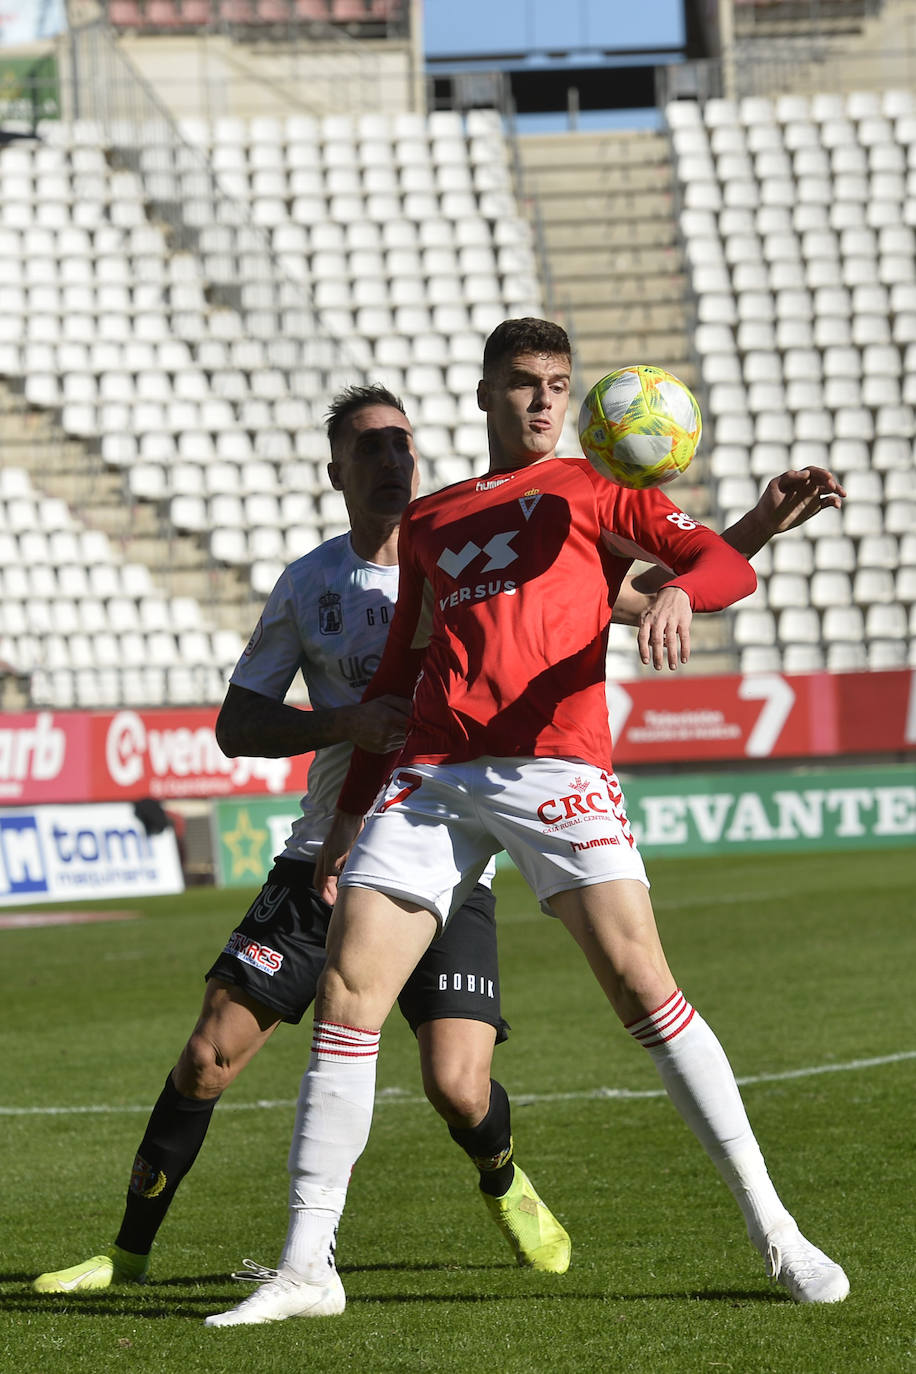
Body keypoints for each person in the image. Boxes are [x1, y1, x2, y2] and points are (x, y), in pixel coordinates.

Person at [205, 318, 849, 1327]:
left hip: (557, 768)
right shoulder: (435, 521)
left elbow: (721, 574)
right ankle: (305, 1266)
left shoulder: (600, 491)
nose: (544, 400)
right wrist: (344, 819)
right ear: (483, 394)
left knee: (643, 985)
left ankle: (777, 1232)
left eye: (557, 383)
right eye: (521, 383)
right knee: (345, 994)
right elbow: (395, 676)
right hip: (433, 775)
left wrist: (704, 567)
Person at [32, 384, 573, 1300]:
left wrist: (722, 554)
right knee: (206, 1055)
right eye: (370, 447)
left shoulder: (469, 556)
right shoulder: (311, 582)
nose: (392, 459)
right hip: (324, 853)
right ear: (337, 473)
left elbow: (614, 597)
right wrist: (343, 724)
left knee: (458, 1089)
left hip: (440, 857)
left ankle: (500, 1176)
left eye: (403, 443)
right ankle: (125, 1256)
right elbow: (238, 723)